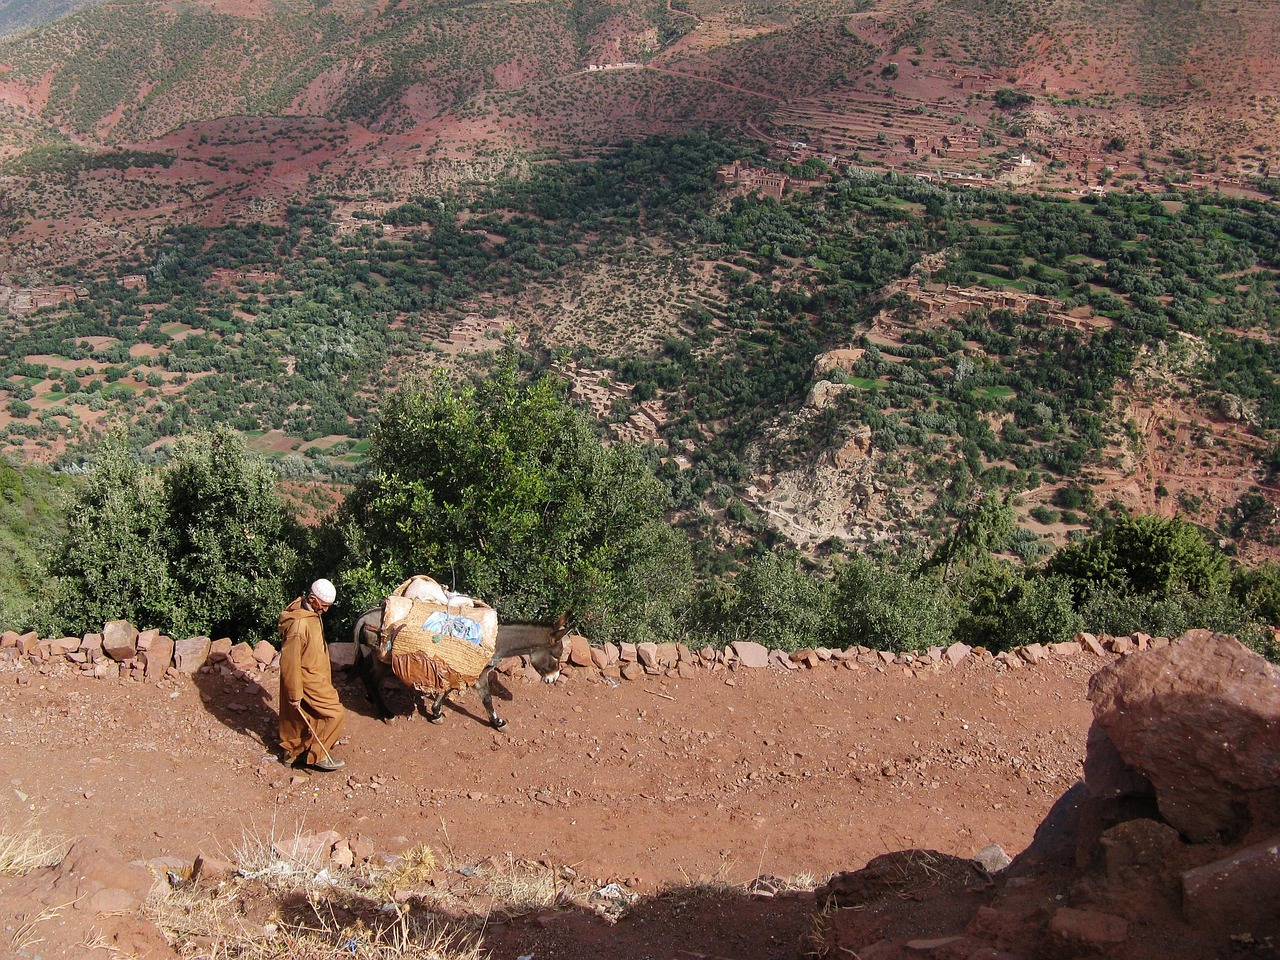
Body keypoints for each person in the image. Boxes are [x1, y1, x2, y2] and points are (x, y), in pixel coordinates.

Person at [277, 578, 346, 772]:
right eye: (324, 606)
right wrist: (294, 693)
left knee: (305, 717)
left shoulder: (309, 610)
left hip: (316, 674)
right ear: (313, 598)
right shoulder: (299, 626)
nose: (326, 610)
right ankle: (318, 756)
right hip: (307, 679)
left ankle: (293, 754)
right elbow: (290, 662)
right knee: (335, 713)